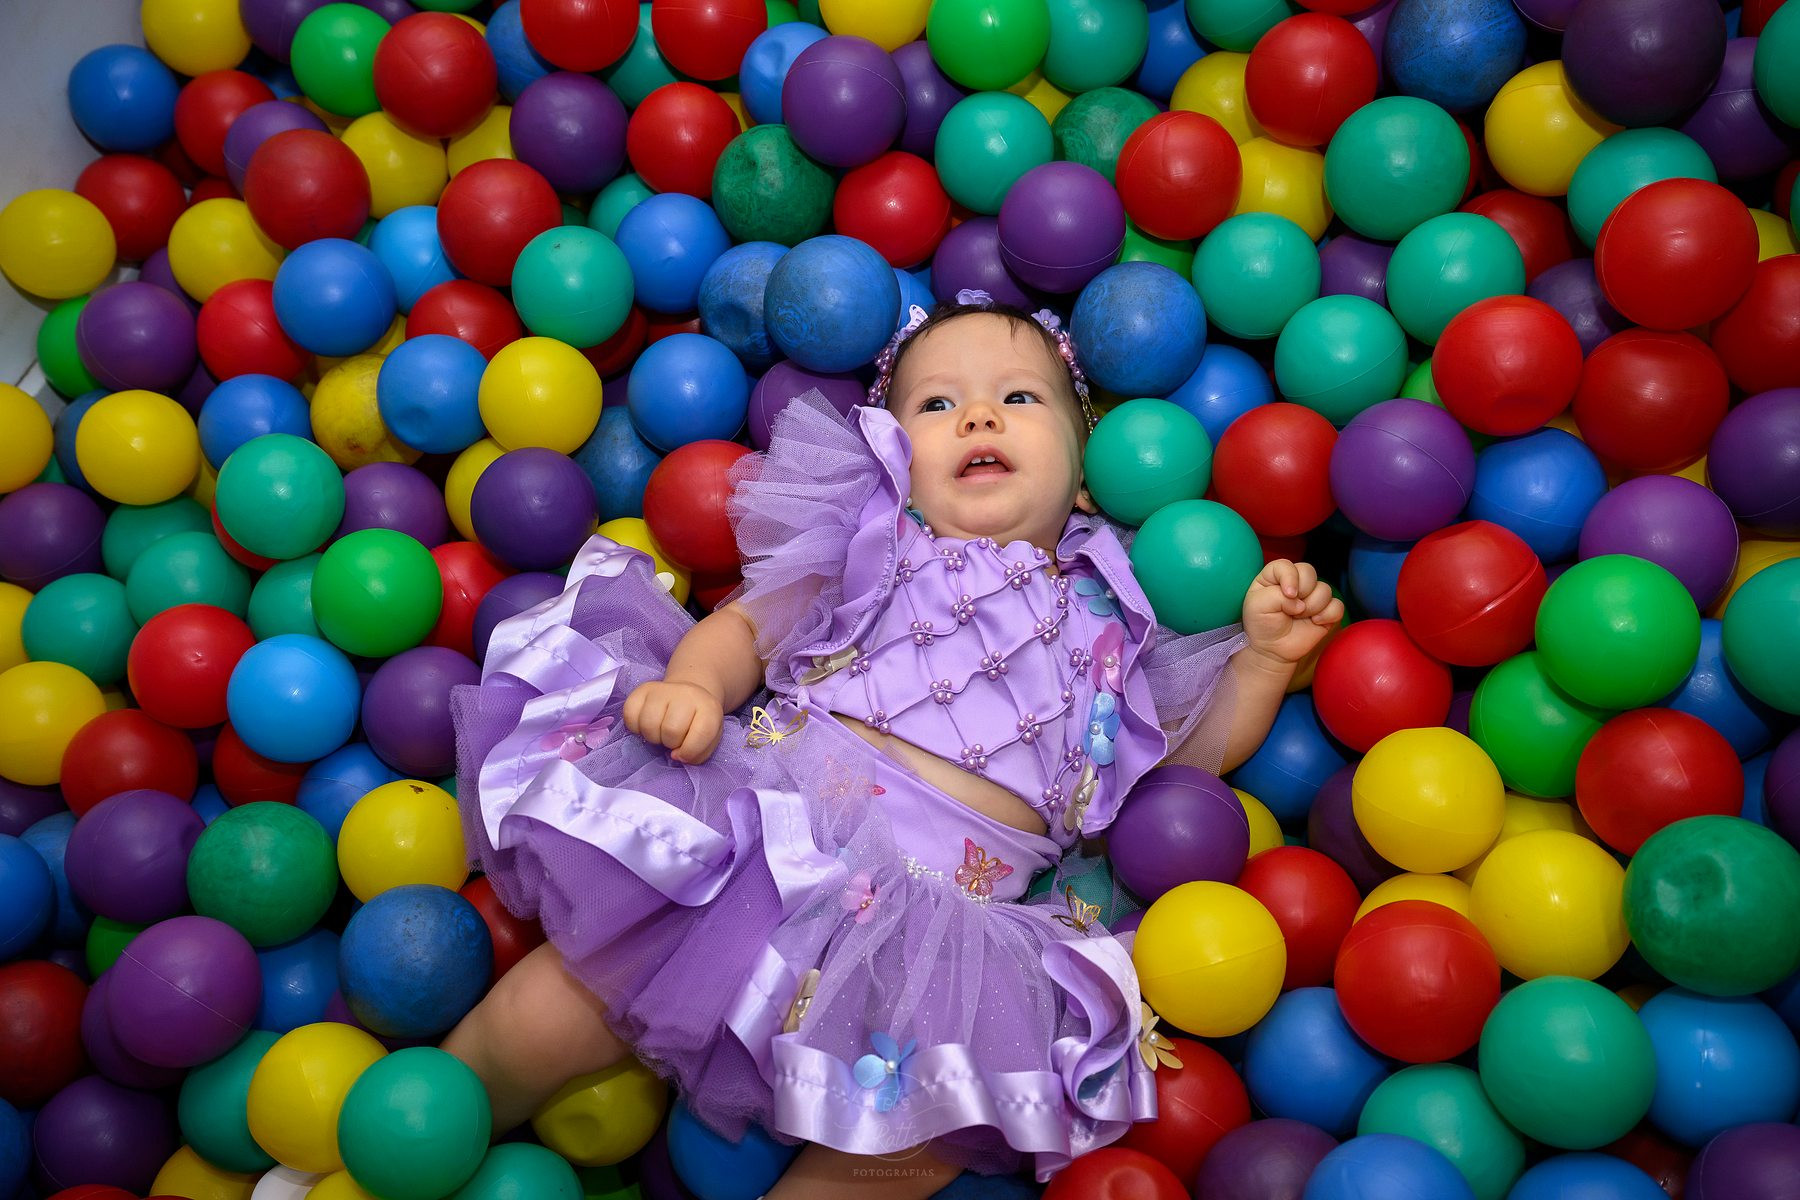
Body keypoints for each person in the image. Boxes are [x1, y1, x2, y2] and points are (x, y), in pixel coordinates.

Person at [443, 291, 1342, 1197]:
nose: (980, 415)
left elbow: (1184, 758)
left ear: (1084, 479)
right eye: (938, 403)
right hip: (771, 847)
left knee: (921, 1132)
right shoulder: (876, 543)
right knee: (575, 992)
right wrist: (694, 687)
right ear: (898, 464)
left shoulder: (1117, 615)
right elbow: (751, 625)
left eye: (1019, 398)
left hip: (941, 937)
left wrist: (1264, 662)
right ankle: (431, 1121)